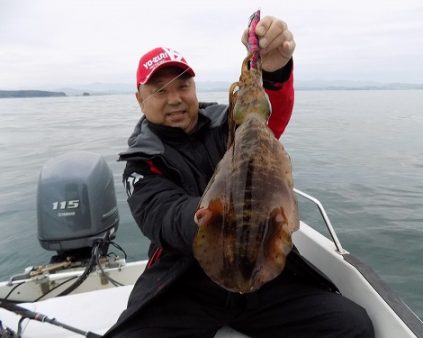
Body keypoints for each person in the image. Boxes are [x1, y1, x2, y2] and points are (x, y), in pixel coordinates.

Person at [104, 16, 374, 338]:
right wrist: (209, 216)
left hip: (262, 266)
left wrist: (274, 70)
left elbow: (267, 119)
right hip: (184, 280)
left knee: (350, 325)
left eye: (182, 85)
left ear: (194, 87)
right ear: (140, 98)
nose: (175, 98)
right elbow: (163, 217)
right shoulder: (141, 162)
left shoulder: (229, 122)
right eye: (160, 90)